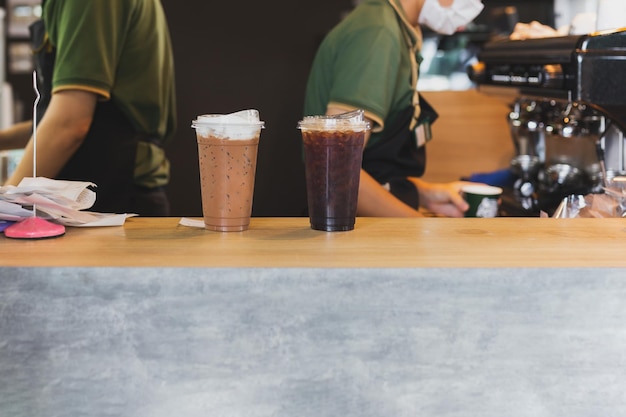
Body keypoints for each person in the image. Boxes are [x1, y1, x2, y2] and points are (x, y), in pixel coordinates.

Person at [304, 0, 485, 217]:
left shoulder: (394, 28)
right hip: (346, 236)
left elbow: (370, 170)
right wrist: (422, 229)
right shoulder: (377, 33)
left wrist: (424, 194)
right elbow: (334, 172)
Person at [0, 0, 177, 216]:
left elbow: (69, 123)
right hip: (98, 194)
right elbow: (61, 118)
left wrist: (8, 202)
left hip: (111, 199)